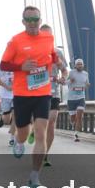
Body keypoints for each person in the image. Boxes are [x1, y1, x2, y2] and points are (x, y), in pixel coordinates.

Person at [0, 5, 67, 188]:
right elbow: (4, 64)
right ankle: (19, 143)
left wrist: (61, 68)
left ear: (40, 20)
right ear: (23, 22)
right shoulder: (15, 41)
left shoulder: (48, 38)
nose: (32, 23)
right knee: (24, 132)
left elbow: (53, 55)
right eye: (28, 20)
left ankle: (35, 176)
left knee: (40, 133)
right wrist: (21, 67)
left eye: (35, 19)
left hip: (43, 93)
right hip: (22, 93)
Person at [39, 25, 69, 167]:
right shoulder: (34, 52)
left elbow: (64, 70)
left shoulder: (57, 52)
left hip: (53, 92)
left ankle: (45, 154)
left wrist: (63, 78)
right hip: (37, 93)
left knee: (51, 123)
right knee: (40, 124)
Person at [66, 58, 89, 142]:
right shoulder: (71, 72)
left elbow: (86, 83)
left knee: (79, 117)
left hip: (81, 97)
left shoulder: (86, 74)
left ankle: (76, 135)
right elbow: (65, 82)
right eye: (78, 64)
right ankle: (73, 124)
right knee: (73, 118)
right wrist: (70, 81)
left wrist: (87, 85)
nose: (79, 65)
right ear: (75, 65)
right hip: (71, 98)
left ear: (83, 65)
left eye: (81, 64)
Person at [0, 68, 16, 146]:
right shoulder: (3, 66)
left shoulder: (18, 65)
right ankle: (2, 117)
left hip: (16, 94)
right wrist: (6, 86)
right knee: (7, 121)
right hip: (4, 95)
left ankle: (12, 138)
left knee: (15, 117)